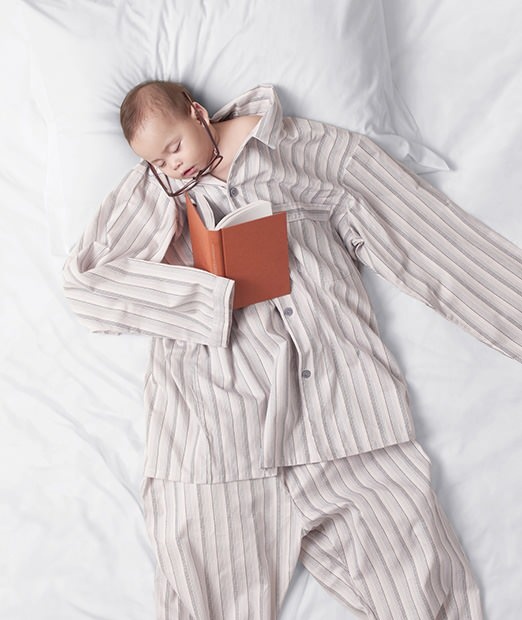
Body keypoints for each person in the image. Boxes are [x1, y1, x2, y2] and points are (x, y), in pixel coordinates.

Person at [63, 80, 522, 620]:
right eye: (157, 160)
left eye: (174, 148)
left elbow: (435, 246)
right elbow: (87, 284)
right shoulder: (156, 190)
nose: (171, 166)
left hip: (347, 425)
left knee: (423, 598)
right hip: (216, 440)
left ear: (197, 113)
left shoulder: (314, 154)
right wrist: (204, 300)